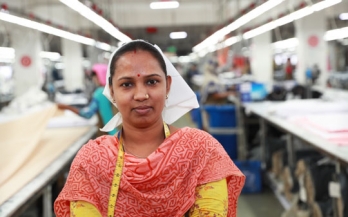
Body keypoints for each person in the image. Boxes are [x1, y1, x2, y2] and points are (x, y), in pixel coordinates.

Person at [54, 40, 245, 217]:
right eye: (127, 84)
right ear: (112, 91)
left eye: (152, 81)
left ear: (168, 85)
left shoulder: (202, 151)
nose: (141, 94)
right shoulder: (91, 161)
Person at [57, 63, 117, 135]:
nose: (94, 79)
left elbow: (87, 114)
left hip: (112, 134)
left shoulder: (100, 93)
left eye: (95, 76)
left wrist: (67, 107)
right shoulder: (115, 90)